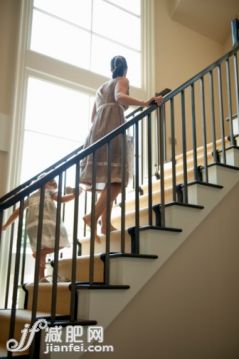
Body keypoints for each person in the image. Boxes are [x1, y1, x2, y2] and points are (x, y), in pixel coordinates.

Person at [80, 55, 163, 241]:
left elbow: (93, 117)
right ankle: (92, 217)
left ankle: (105, 223)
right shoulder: (122, 80)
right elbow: (120, 97)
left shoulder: (100, 88)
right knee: (118, 179)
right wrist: (145, 103)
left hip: (97, 133)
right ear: (125, 69)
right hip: (113, 130)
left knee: (110, 177)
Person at [1, 177, 77, 282]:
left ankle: (41, 277)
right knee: (62, 243)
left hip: (32, 226)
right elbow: (62, 199)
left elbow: (17, 212)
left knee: (42, 250)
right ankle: (38, 254)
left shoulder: (30, 197)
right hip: (47, 222)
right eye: (52, 184)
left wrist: (6, 225)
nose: (53, 187)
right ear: (45, 184)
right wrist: (74, 195)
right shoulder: (49, 193)